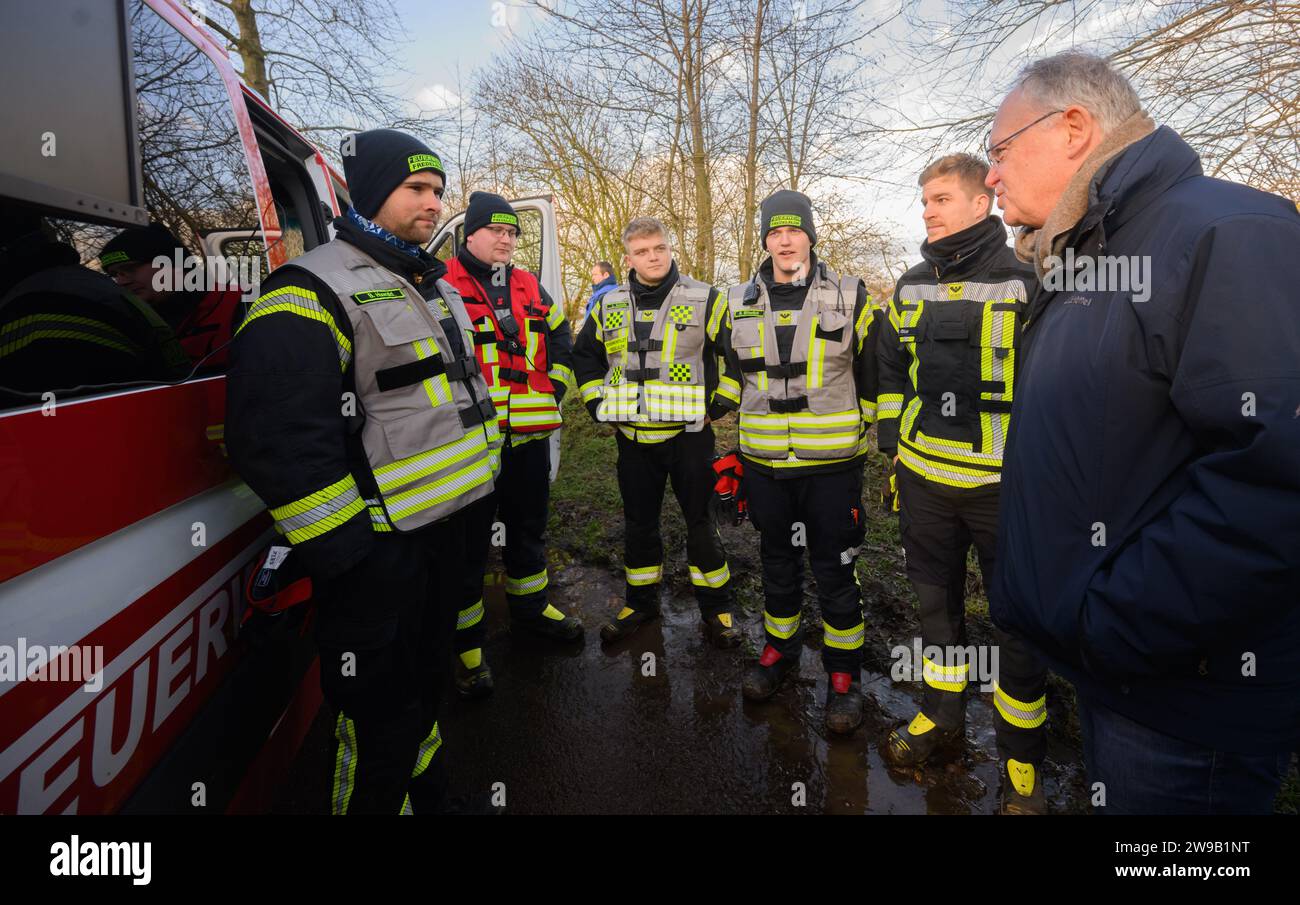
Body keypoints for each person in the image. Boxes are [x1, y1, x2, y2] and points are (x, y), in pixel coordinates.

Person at [986, 51, 1300, 814]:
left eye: (998, 150)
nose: (990, 175)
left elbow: (1276, 471)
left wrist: (1117, 621)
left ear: (1073, 128)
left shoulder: (1227, 231)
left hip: (1186, 713)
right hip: (1122, 679)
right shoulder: (1091, 258)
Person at [227, 129, 501, 814]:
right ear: (375, 193)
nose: (434, 203)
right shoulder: (310, 288)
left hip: (447, 539)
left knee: (422, 700)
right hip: (379, 558)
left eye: (438, 190)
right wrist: (352, 556)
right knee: (376, 722)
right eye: (417, 189)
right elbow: (277, 440)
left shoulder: (427, 286)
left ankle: (425, 797)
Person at [874, 153, 1046, 814]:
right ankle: (940, 717)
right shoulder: (911, 285)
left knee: (1017, 625)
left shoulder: (1030, 281)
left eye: (941, 198)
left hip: (1008, 492)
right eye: (924, 202)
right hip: (924, 485)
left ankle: (1023, 759)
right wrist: (893, 447)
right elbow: (890, 368)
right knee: (934, 612)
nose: (929, 211)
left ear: (981, 202)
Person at [715, 190, 878, 735]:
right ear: (764, 239)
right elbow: (724, 372)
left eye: (794, 230)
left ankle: (843, 678)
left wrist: (864, 427)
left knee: (835, 571)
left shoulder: (852, 294)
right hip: (764, 465)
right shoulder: (735, 300)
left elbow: (878, 373)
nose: (785, 240)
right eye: (774, 232)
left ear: (810, 235)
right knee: (777, 564)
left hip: (832, 466)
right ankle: (779, 652)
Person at [572, 216, 740, 648]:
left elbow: (738, 354)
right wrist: (596, 404)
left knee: (701, 524)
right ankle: (640, 603)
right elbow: (585, 357)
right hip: (632, 440)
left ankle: (716, 609)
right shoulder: (608, 303)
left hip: (689, 439)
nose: (653, 257)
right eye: (643, 252)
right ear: (628, 258)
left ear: (670, 250)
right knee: (639, 524)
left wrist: (719, 405)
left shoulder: (706, 297)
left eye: (659, 249)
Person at [442, 192, 581, 699]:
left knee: (528, 531)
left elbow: (562, 345)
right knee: (468, 548)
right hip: (469, 448)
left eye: (512, 232)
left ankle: (531, 610)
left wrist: (556, 389)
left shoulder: (531, 287)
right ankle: (468, 645)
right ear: (469, 234)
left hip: (529, 439)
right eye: (495, 230)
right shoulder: (440, 287)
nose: (505, 238)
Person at [99, 222, 243, 369]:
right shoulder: (132, 324)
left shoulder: (239, 303)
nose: (121, 281)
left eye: (130, 268)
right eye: (114, 275)